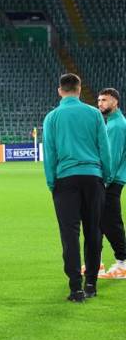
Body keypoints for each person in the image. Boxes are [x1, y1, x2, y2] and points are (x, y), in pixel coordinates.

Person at [43, 73, 111, 302]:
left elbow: (49, 155)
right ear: (79, 90)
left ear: (60, 90)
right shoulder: (94, 114)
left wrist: (52, 183)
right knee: (94, 231)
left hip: (65, 180)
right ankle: (91, 282)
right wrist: (105, 177)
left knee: (69, 235)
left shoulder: (52, 118)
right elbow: (105, 149)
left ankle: (76, 288)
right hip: (93, 178)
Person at [96, 88, 126, 279]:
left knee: (110, 221)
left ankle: (122, 263)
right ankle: (96, 262)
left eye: (104, 100)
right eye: (99, 100)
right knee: (101, 221)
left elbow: (113, 158)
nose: (100, 103)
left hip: (111, 181)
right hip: (113, 179)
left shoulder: (116, 126)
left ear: (115, 102)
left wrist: (104, 182)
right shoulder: (114, 123)